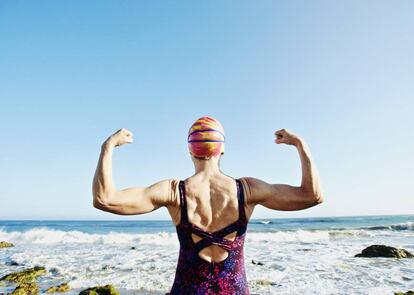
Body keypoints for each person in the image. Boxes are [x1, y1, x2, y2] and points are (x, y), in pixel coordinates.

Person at [92, 116, 324, 295]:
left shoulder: (174, 192)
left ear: (189, 149)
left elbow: (104, 199)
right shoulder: (247, 190)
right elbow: (312, 196)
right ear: (222, 149)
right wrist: (300, 145)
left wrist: (108, 147)